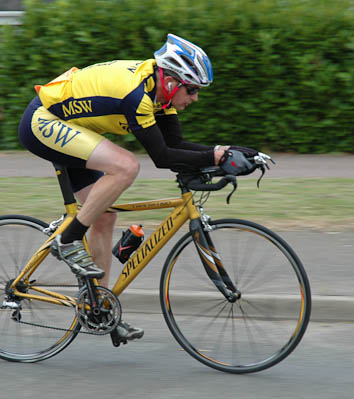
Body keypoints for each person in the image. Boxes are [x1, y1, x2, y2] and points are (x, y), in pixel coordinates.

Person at [18, 33, 264, 342]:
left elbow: (176, 146)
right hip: (43, 121)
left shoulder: (160, 95)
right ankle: (67, 241)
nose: (195, 98)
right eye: (192, 90)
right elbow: (162, 157)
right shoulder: (136, 96)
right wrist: (216, 156)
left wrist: (233, 152)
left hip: (75, 128)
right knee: (126, 165)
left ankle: (99, 309)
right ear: (173, 82)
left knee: (104, 216)